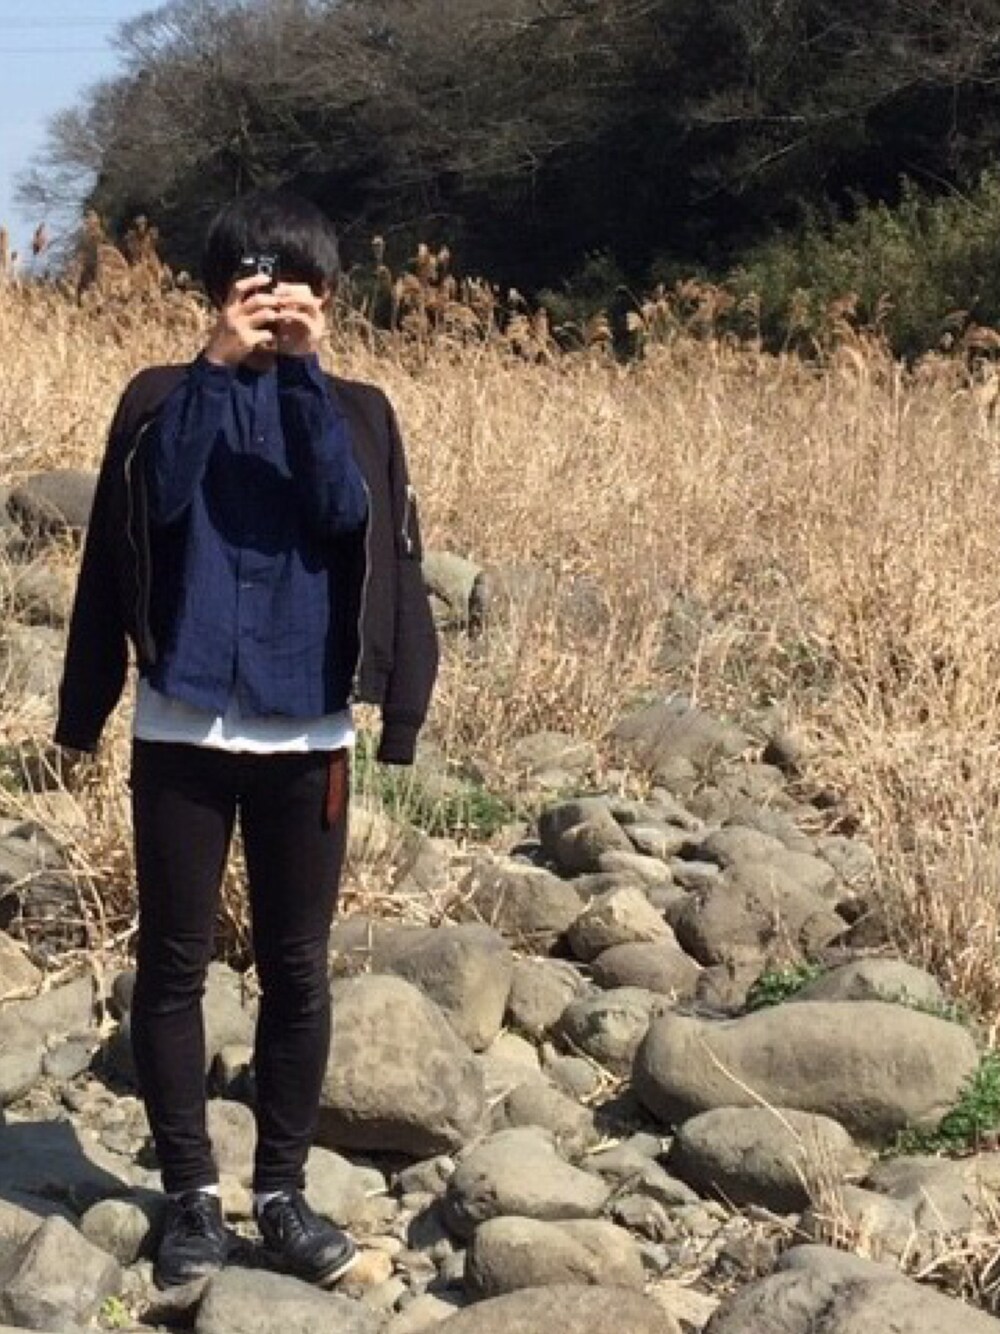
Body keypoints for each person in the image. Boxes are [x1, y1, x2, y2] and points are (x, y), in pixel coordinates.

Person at [54, 191, 438, 1289]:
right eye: (253, 288)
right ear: (216, 293)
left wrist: (303, 375)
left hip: (307, 725)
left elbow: (350, 518)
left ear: (330, 298)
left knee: (298, 969)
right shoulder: (159, 395)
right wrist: (215, 367)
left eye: (297, 289)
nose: (274, 307)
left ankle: (280, 1191)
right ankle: (188, 1191)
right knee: (172, 964)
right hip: (181, 715)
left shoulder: (360, 409)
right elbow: (145, 517)